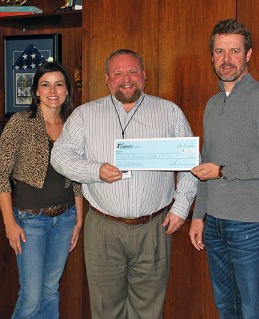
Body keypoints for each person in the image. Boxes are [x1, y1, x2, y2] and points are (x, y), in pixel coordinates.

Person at [50, 49, 198, 319]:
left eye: (132, 72)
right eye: (118, 73)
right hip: (103, 229)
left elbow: (191, 163)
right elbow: (59, 157)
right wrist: (95, 171)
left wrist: (181, 207)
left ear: (144, 76)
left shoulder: (169, 112)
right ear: (107, 79)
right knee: (106, 309)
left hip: (154, 227)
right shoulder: (85, 115)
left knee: (149, 310)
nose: (126, 79)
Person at [189, 19, 259, 319]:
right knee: (226, 306)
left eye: (234, 51)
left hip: (251, 225)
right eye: (219, 51)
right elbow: (204, 166)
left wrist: (223, 171)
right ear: (211, 56)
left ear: (248, 54)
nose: (226, 59)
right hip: (215, 224)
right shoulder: (212, 104)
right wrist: (198, 217)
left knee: (253, 308)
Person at [0, 61, 84, 318]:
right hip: (30, 221)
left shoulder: (73, 125)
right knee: (31, 295)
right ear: (36, 91)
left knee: (50, 290)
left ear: (67, 91)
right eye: (45, 85)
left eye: (59, 84)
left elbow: (78, 176)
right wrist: (9, 223)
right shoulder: (20, 123)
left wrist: (78, 219)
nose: (52, 90)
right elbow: (1, 176)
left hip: (65, 219)